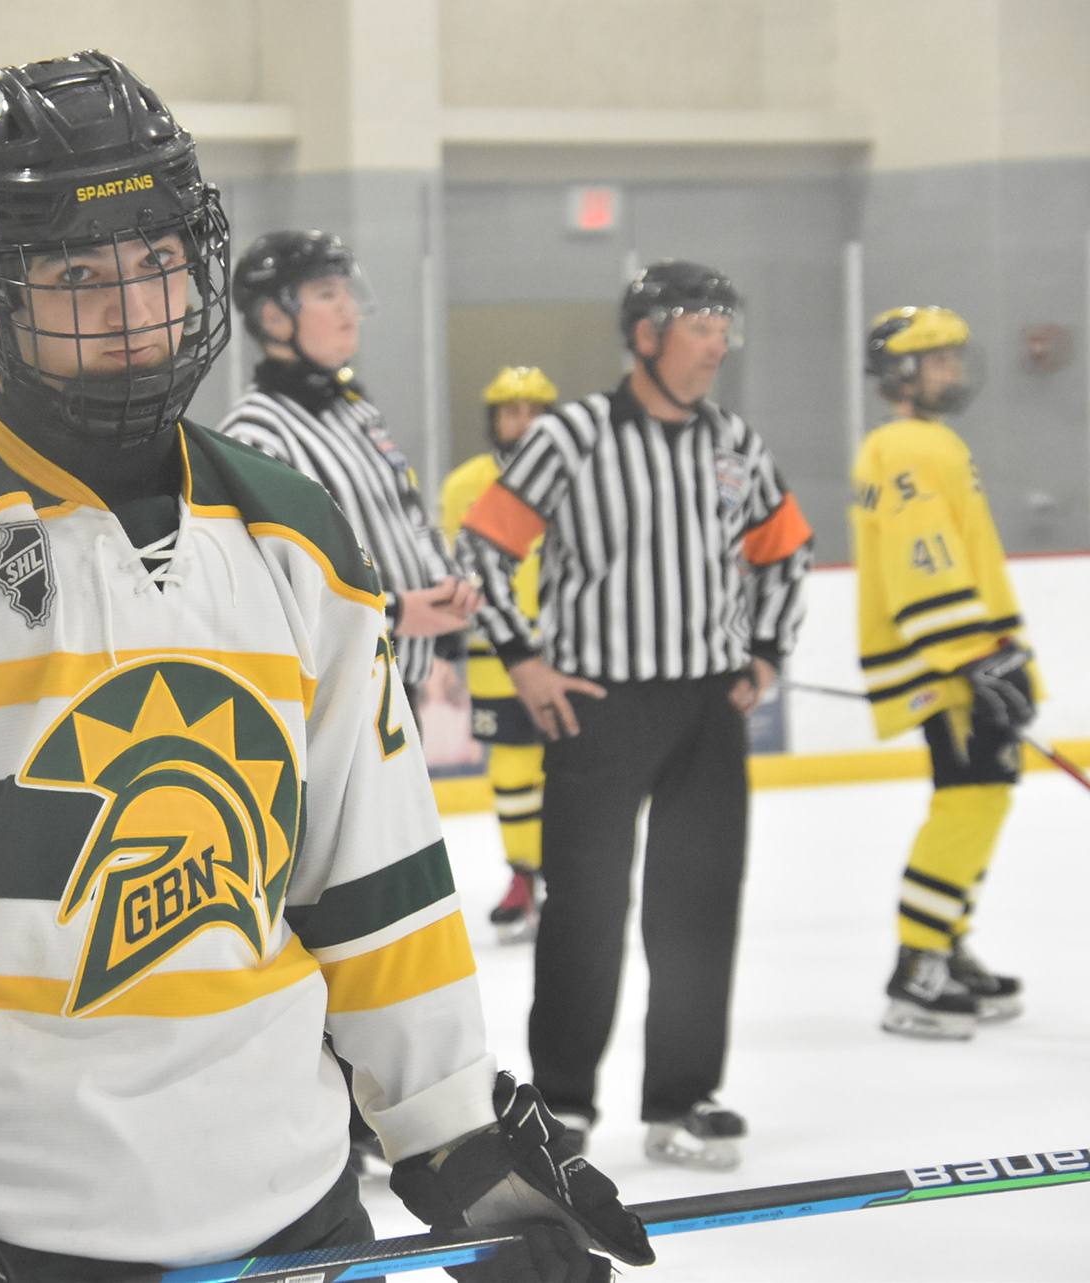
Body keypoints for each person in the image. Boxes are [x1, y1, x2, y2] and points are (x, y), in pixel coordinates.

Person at [0, 51, 651, 1283]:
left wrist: (452, 1128)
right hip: (17, 1234)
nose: (134, 308)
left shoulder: (298, 534)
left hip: (301, 1214)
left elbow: (377, 871)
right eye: (79, 275)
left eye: (156, 261)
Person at [452, 262, 813, 1172]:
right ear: (647, 335)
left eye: (725, 328)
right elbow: (484, 548)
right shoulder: (571, 435)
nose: (718, 345)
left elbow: (786, 549)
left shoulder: (733, 441)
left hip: (707, 708)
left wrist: (767, 651)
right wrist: (522, 660)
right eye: (700, 326)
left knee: (698, 904)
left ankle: (682, 1098)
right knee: (585, 906)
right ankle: (562, 1102)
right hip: (597, 706)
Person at [854, 305, 1038, 1040]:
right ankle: (918, 966)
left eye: (954, 358)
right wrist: (975, 654)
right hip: (951, 664)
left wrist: (996, 650)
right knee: (967, 802)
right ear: (901, 373)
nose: (952, 371)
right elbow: (921, 556)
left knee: (981, 799)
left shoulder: (924, 442)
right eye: (937, 360)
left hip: (965, 658)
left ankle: (946, 943)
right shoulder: (905, 445)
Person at [215, 230, 480, 707]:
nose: (348, 308)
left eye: (346, 291)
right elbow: (264, 588)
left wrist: (445, 580)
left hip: (395, 686)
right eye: (326, 294)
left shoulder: (355, 409)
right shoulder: (255, 434)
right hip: (326, 701)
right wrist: (397, 613)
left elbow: (407, 512)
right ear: (273, 317)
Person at [441, 367, 559, 943]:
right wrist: (447, 648)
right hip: (495, 654)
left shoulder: (578, 477)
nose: (525, 422)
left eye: (535, 411)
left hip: (567, 651)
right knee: (512, 774)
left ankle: (566, 880)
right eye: (513, 411)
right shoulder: (465, 485)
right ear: (494, 419)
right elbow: (450, 569)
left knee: (568, 771)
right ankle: (521, 877)